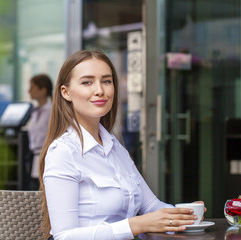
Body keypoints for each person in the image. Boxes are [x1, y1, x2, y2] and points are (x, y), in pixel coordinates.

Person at [38, 50, 205, 240]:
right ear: (66, 92)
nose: (100, 90)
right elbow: (64, 236)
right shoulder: (63, 152)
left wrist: (184, 214)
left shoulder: (114, 147)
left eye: (107, 81)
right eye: (87, 82)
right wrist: (136, 225)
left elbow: (151, 206)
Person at [27, 74, 53, 190]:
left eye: (32, 87)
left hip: (48, 158)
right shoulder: (34, 112)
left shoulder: (52, 112)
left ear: (43, 90)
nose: (29, 90)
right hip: (35, 158)